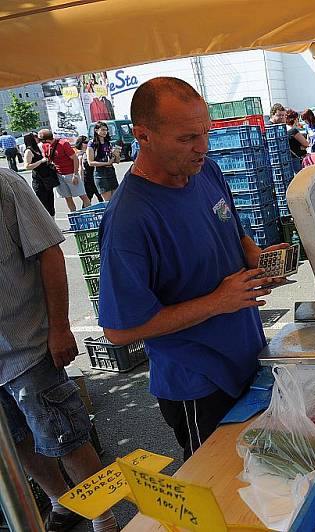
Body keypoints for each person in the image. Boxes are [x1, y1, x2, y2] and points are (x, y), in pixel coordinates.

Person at [97, 77, 287, 460]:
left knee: (267, 472)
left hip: (250, 357)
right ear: (143, 135)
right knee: (220, 483)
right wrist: (219, 301)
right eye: (186, 139)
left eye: (204, 133)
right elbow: (118, 330)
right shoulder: (129, 220)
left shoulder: (206, 171)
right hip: (198, 384)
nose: (202, 148)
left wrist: (257, 258)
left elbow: (235, 234)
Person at [0, 167, 118, 532]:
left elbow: (50, 252)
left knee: (65, 434)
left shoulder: (6, 186)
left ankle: (105, 518)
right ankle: (61, 502)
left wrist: (61, 328)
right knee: (15, 439)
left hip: (27, 345)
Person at [39, 129, 90, 212]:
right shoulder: (45, 146)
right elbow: (47, 159)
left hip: (70, 173)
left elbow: (75, 158)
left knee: (82, 195)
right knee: (67, 198)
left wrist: (75, 174)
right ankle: (74, 215)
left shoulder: (63, 143)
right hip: (58, 175)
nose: (40, 142)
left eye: (41, 140)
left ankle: (89, 214)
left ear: (46, 140)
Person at [23, 132, 56, 216]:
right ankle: (47, 226)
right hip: (39, 180)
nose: (37, 138)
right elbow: (27, 166)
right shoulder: (28, 151)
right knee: (44, 203)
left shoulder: (37, 148)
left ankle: (53, 225)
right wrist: (41, 161)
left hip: (47, 179)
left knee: (50, 202)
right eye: (35, 137)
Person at [86, 121, 119, 200]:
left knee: (116, 199)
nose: (105, 132)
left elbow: (117, 161)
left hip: (111, 171)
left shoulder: (108, 143)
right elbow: (90, 162)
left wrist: (116, 155)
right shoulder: (92, 143)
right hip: (100, 173)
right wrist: (106, 163)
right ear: (96, 130)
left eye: (106, 130)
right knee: (108, 201)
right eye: (103, 130)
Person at [73, 136, 103, 203]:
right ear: (81, 144)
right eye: (85, 142)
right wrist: (82, 182)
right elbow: (81, 169)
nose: (88, 143)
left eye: (88, 142)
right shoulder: (80, 155)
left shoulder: (91, 151)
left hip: (96, 177)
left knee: (101, 198)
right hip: (88, 180)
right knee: (87, 200)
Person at [285, 109, 309, 174]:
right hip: (297, 159)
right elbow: (306, 144)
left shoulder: (284, 130)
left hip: (290, 158)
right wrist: (302, 146)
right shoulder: (293, 131)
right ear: (295, 119)